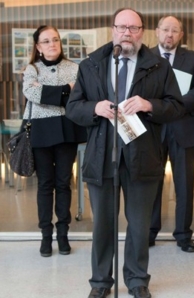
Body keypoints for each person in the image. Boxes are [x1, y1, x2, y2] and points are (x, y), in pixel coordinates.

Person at [66, 8, 184, 298]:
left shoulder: (158, 66)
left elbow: (176, 106)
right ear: (113, 29)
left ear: (142, 32)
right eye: (122, 27)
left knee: (140, 224)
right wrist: (94, 108)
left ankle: (136, 279)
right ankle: (100, 282)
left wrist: (148, 105)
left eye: (133, 28)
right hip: (102, 156)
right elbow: (73, 107)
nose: (127, 33)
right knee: (103, 225)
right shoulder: (91, 64)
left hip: (142, 157)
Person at [22, 25, 87, 258]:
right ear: (38, 47)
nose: (52, 44)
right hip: (40, 132)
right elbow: (31, 93)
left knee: (63, 183)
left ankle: (63, 233)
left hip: (67, 131)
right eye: (47, 41)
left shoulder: (75, 68)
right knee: (44, 185)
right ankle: (46, 236)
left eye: (56, 40)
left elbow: (79, 94)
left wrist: (49, 92)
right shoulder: (31, 69)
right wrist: (63, 91)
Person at [149, 15, 194, 252]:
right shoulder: (145, 57)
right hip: (152, 129)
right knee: (151, 183)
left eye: (175, 31)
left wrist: (175, 106)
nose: (169, 35)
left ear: (181, 35)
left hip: (184, 128)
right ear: (157, 31)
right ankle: (150, 231)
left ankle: (183, 234)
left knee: (184, 185)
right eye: (166, 30)